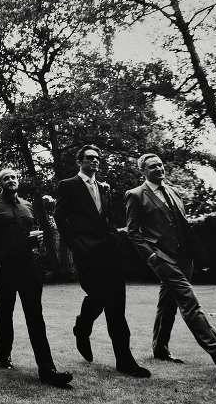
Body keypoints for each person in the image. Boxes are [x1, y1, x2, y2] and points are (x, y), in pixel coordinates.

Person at [125, 153, 216, 382]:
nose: (159, 169)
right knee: (190, 304)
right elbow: (133, 232)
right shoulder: (136, 195)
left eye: (161, 165)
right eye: (153, 166)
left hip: (185, 259)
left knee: (168, 303)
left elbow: (181, 225)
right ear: (143, 171)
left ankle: (160, 349)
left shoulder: (175, 191)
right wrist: (152, 257)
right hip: (162, 259)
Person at [53, 146, 149, 377]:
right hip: (86, 252)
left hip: (109, 250)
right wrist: (75, 243)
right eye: (89, 158)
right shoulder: (69, 185)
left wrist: (116, 235)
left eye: (97, 159)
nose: (95, 161)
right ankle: (82, 327)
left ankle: (124, 360)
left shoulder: (104, 187)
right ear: (80, 161)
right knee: (98, 295)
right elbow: (59, 216)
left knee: (117, 304)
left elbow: (105, 218)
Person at [0, 167, 72, 387]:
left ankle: (47, 370)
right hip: (3, 268)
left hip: (28, 267)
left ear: (18, 181)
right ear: (0, 183)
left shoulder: (27, 206)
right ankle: (4, 354)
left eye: (14, 177)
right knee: (4, 311)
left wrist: (33, 242)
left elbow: (29, 236)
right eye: (6, 178)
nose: (11, 180)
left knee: (35, 317)